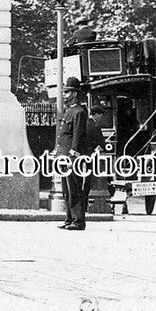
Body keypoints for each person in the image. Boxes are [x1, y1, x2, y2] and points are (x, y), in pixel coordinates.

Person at [57, 78, 89, 231]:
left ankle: (78, 220)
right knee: (66, 188)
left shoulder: (80, 112)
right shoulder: (69, 111)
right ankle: (69, 218)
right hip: (64, 155)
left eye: (68, 92)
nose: (64, 94)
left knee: (74, 187)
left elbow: (77, 134)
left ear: (75, 94)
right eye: (64, 92)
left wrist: (73, 154)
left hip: (71, 156)